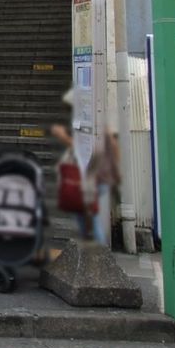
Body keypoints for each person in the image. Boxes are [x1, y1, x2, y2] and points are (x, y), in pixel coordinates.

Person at [50, 89, 121, 245]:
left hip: (89, 178)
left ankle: (101, 261)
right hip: (96, 176)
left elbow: (84, 148)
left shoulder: (85, 121)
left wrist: (62, 137)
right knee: (86, 219)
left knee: (91, 222)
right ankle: (92, 258)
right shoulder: (96, 120)